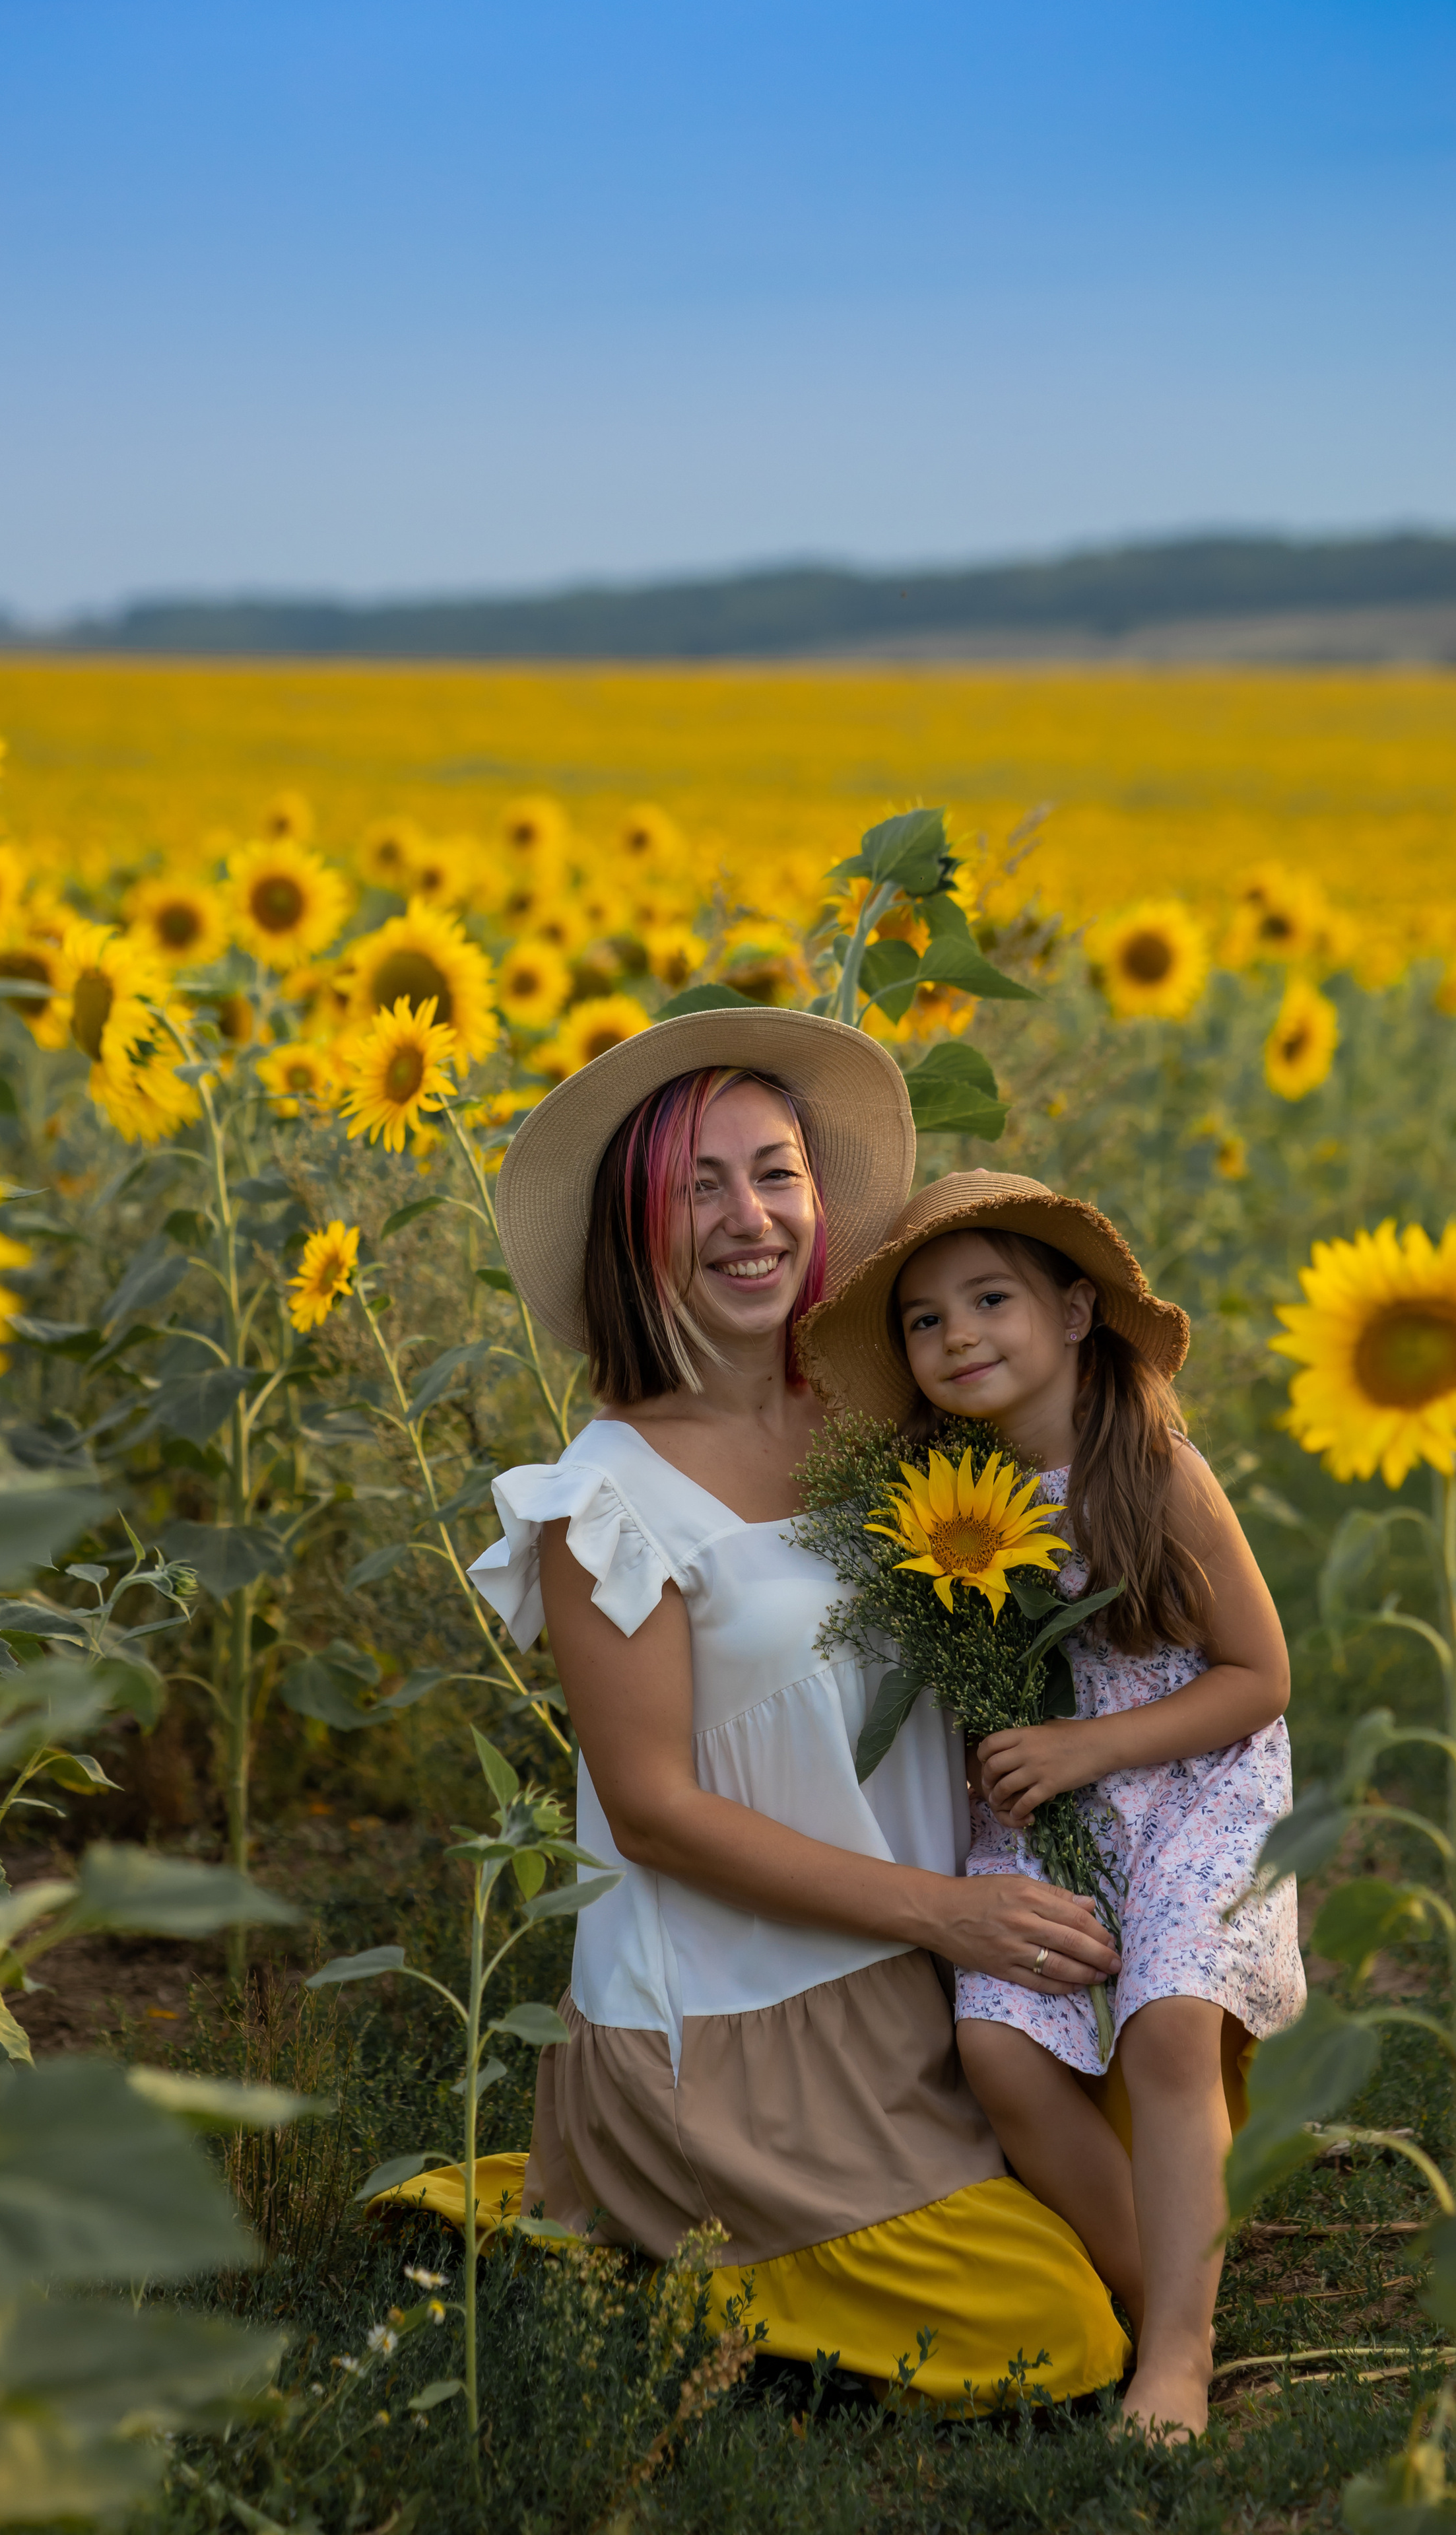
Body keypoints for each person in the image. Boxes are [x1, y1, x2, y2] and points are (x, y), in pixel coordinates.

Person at [422, 1010, 1130, 2409]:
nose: (746, 1220)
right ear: (634, 1233)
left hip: (937, 1962)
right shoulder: (605, 1502)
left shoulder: (884, 1421)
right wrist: (945, 1916)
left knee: (1179, 2081)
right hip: (749, 2016)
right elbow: (654, 1814)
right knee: (1053, 2332)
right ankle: (655, 2226)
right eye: (698, 1187)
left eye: (775, 1173)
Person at [798, 1168, 1305, 2441]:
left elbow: (1262, 1676)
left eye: (989, 1299)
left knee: (1170, 2026)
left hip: (1196, 1786)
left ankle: (1179, 2358)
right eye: (923, 1320)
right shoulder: (938, 1503)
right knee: (1000, 2046)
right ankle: (1157, 2301)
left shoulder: (1153, 1473)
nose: (957, 1334)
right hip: (1050, 1805)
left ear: (1078, 1313)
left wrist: (1086, 1748)